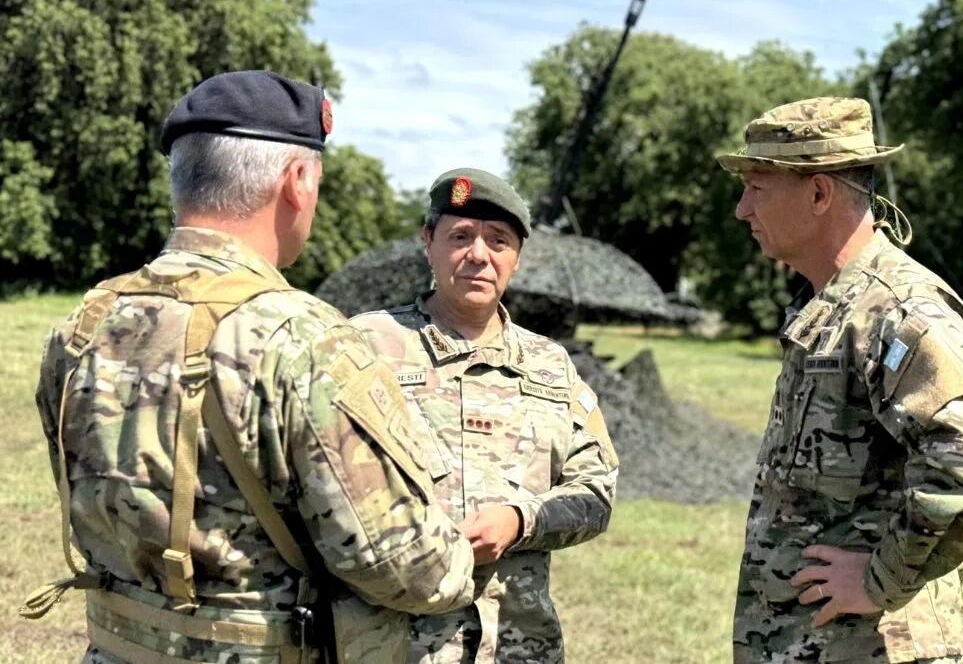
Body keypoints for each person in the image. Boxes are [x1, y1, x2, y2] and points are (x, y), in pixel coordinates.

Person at [22, 70, 475, 663]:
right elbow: (407, 566)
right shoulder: (304, 338)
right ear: (297, 180)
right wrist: (463, 557)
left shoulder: (85, 324)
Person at [716, 97, 963, 663]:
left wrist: (881, 577)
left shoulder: (898, 308)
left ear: (818, 193)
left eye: (756, 186)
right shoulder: (831, 303)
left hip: (873, 645)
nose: (741, 209)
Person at [351, 167, 618, 663]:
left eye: (498, 240)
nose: (479, 254)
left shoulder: (550, 365)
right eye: (460, 236)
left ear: (517, 257)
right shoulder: (365, 347)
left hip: (519, 644)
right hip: (394, 645)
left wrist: (521, 521)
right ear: (427, 241)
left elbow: (597, 492)